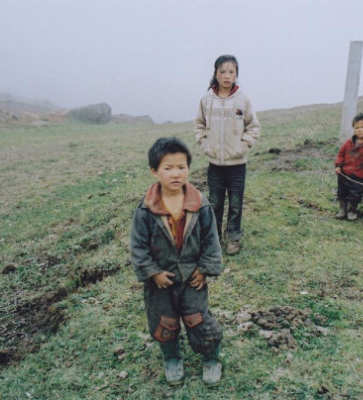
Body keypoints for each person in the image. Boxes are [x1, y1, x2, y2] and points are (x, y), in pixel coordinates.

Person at [129, 137, 223, 387]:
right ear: (154, 171)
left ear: (189, 169)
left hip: (193, 279)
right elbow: (138, 247)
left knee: (199, 320)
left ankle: (211, 358)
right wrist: (152, 272)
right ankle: (171, 358)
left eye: (181, 167)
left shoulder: (201, 206)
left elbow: (211, 241)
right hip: (161, 282)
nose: (175, 174)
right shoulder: (145, 210)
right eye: (168, 168)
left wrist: (204, 269)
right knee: (164, 323)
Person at [195, 55, 261, 255]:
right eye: (222, 71)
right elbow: (199, 125)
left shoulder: (243, 99)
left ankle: (233, 237)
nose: (227, 76)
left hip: (237, 165)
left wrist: (243, 146)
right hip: (215, 164)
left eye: (231, 72)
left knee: (235, 203)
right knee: (214, 202)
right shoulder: (206, 100)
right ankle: (213, 239)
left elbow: (253, 127)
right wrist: (205, 144)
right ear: (215, 73)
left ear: (236, 75)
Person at [334, 113, 363, 220]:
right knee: (342, 193)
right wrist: (338, 165)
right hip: (344, 174)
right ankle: (342, 210)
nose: (359, 130)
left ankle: (352, 210)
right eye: (356, 127)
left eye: (362, 127)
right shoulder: (349, 142)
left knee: (355, 195)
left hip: (359, 178)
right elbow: (341, 154)